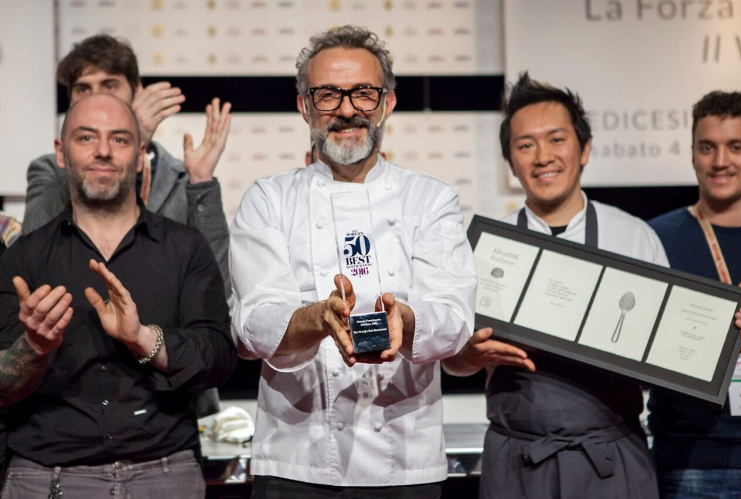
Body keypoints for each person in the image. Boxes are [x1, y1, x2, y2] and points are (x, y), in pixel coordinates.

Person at [230, 26, 476, 498]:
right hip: (294, 460)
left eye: (364, 93)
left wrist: (406, 318)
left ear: (387, 103)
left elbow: (455, 318)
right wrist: (318, 318)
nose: (347, 109)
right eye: (327, 95)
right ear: (304, 106)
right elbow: (253, 323)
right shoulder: (268, 199)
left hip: (405, 462)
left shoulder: (430, 198)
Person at [443, 73, 670, 499]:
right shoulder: (482, 247)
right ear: (510, 163)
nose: (542, 156)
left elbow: (670, 347)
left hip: (611, 458)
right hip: (517, 460)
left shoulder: (635, 236)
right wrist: (467, 355)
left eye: (556, 139)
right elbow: (451, 360)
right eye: (525, 145)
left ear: (584, 149)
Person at [0, 93, 236, 497]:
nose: (104, 151)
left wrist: (145, 339)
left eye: (120, 139)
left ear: (141, 152)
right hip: (46, 478)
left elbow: (219, 358)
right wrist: (34, 347)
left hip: (164, 475)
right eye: (86, 138)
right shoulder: (25, 255)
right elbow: (4, 389)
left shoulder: (185, 247)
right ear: (61, 152)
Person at [23, 34, 232, 302]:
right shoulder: (50, 169)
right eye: (84, 89)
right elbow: (35, 264)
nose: (97, 97)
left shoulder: (183, 178)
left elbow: (218, 294)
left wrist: (201, 181)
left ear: (138, 93)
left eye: (109, 86)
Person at [648, 90, 741, 498]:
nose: (720, 161)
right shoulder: (655, 238)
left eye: (736, 147)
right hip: (691, 460)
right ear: (692, 154)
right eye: (707, 147)